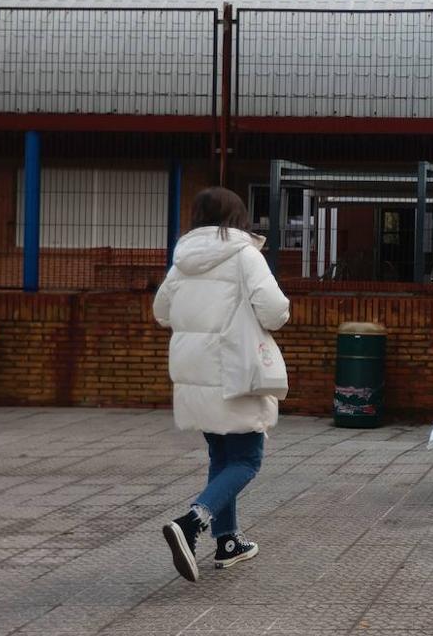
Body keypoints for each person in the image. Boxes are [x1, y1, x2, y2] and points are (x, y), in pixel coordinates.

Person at [153, 187, 290, 583]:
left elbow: (161, 311)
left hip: (195, 372)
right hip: (234, 368)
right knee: (247, 459)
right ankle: (192, 520)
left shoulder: (183, 259)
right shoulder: (244, 254)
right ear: (238, 217)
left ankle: (227, 540)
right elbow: (275, 310)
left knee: (221, 455)